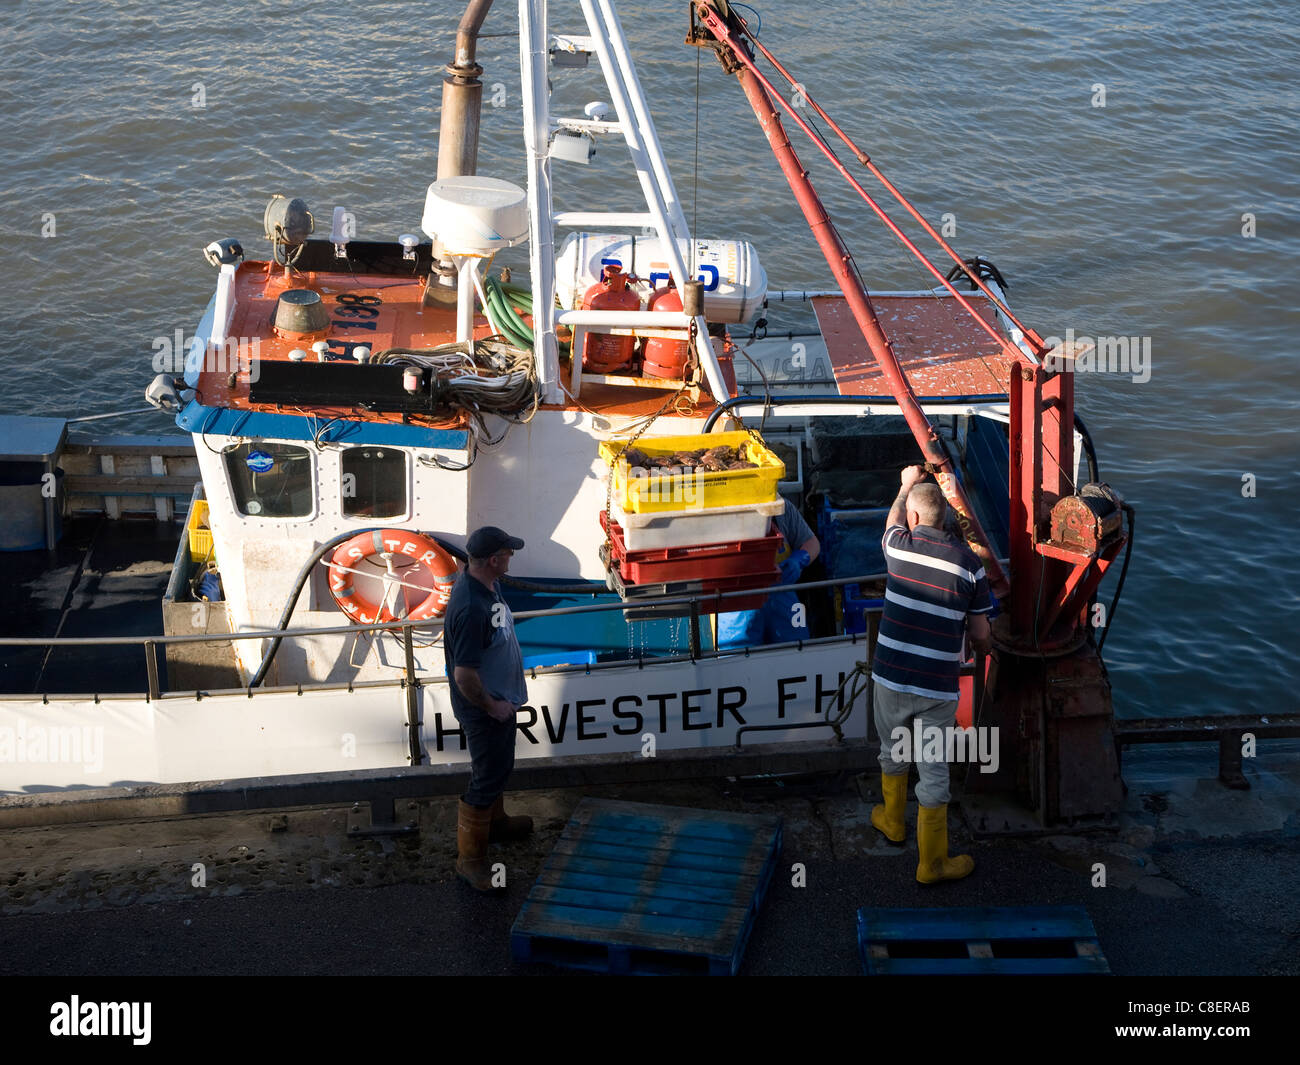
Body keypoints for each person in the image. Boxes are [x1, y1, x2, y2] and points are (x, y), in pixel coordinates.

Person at [870, 465, 993, 883]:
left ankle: (891, 821)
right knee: (934, 769)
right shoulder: (970, 567)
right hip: (937, 686)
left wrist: (904, 484)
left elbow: (891, 520)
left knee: (892, 752)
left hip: (889, 677)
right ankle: (933, 863)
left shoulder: (897, 546)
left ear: (915, 519)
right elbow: (980, 633)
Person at [443, 525, 533, 892]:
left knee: (498, 767)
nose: (512, 557)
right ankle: (471, 860)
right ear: (494, 560)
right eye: (508, 553)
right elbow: (464, 675)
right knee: (486, 776)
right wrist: (492, 706)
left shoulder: (480, 585)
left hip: (498, 698)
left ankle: (495, 824)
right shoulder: (472, 607)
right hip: (485, 706)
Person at [716, 501, 821, 648]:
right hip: (737, 612)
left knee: (797, 655)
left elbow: (812, 542)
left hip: (786, 601)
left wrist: (798, 560)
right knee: (737, 662)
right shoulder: (717, 513)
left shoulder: (782, 507)